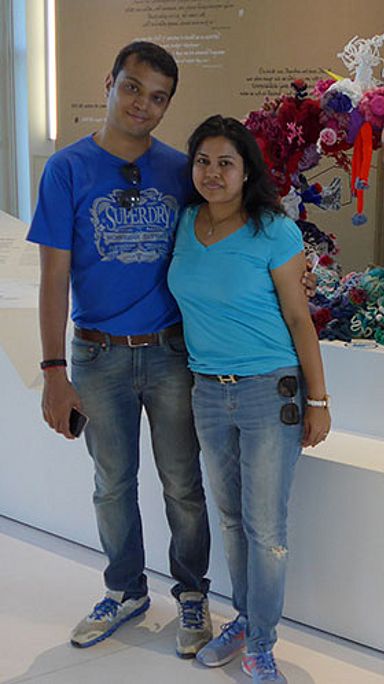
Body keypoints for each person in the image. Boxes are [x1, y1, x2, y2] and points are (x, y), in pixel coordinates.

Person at [27, 42, 317, 658]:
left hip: (172, 355)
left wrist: (293, 271)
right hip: (97, 354)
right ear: (109, 83)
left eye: (158, 97)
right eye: (132, 88)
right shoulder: (67, 170)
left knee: (184, 485)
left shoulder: (177, 172)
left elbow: (231, 231)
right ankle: (126, 589)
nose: (142, 105)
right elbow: (53, 276)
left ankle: (192, 593)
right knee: (111, 483)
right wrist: (53, 370)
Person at [167, 115, 331, 684]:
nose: (213, 173)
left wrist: (319, 399)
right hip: (207, 393)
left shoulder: (274, 231)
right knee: (232, 519)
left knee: (267, 528)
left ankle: (262, 643)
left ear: (246, 172)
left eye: (226, 163)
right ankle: (243, 617)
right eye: (203, 161)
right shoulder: (186, 222)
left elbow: (298, 318)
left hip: (271, 392)